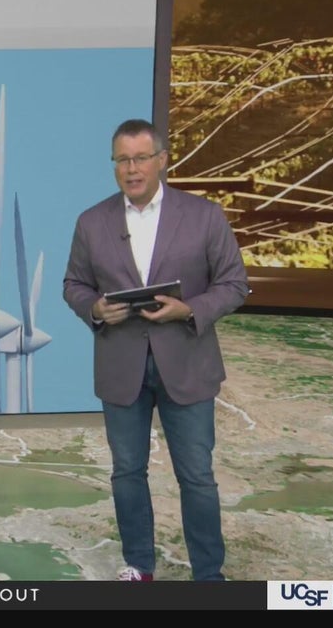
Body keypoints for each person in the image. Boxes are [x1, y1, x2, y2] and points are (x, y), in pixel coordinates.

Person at [62, 119, 248, 581]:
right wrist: (95, 309)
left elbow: (234, 283)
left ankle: (208, 576)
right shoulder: (92, 222)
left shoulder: (204, 215)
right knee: (127, 472)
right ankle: (139, 567)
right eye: (122, 160)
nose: (132, 169)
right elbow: (74, 285)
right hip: (121, 366)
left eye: (141, 158)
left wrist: (189, 309)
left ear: (162, 160)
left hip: (187, 364)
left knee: (197, 476)